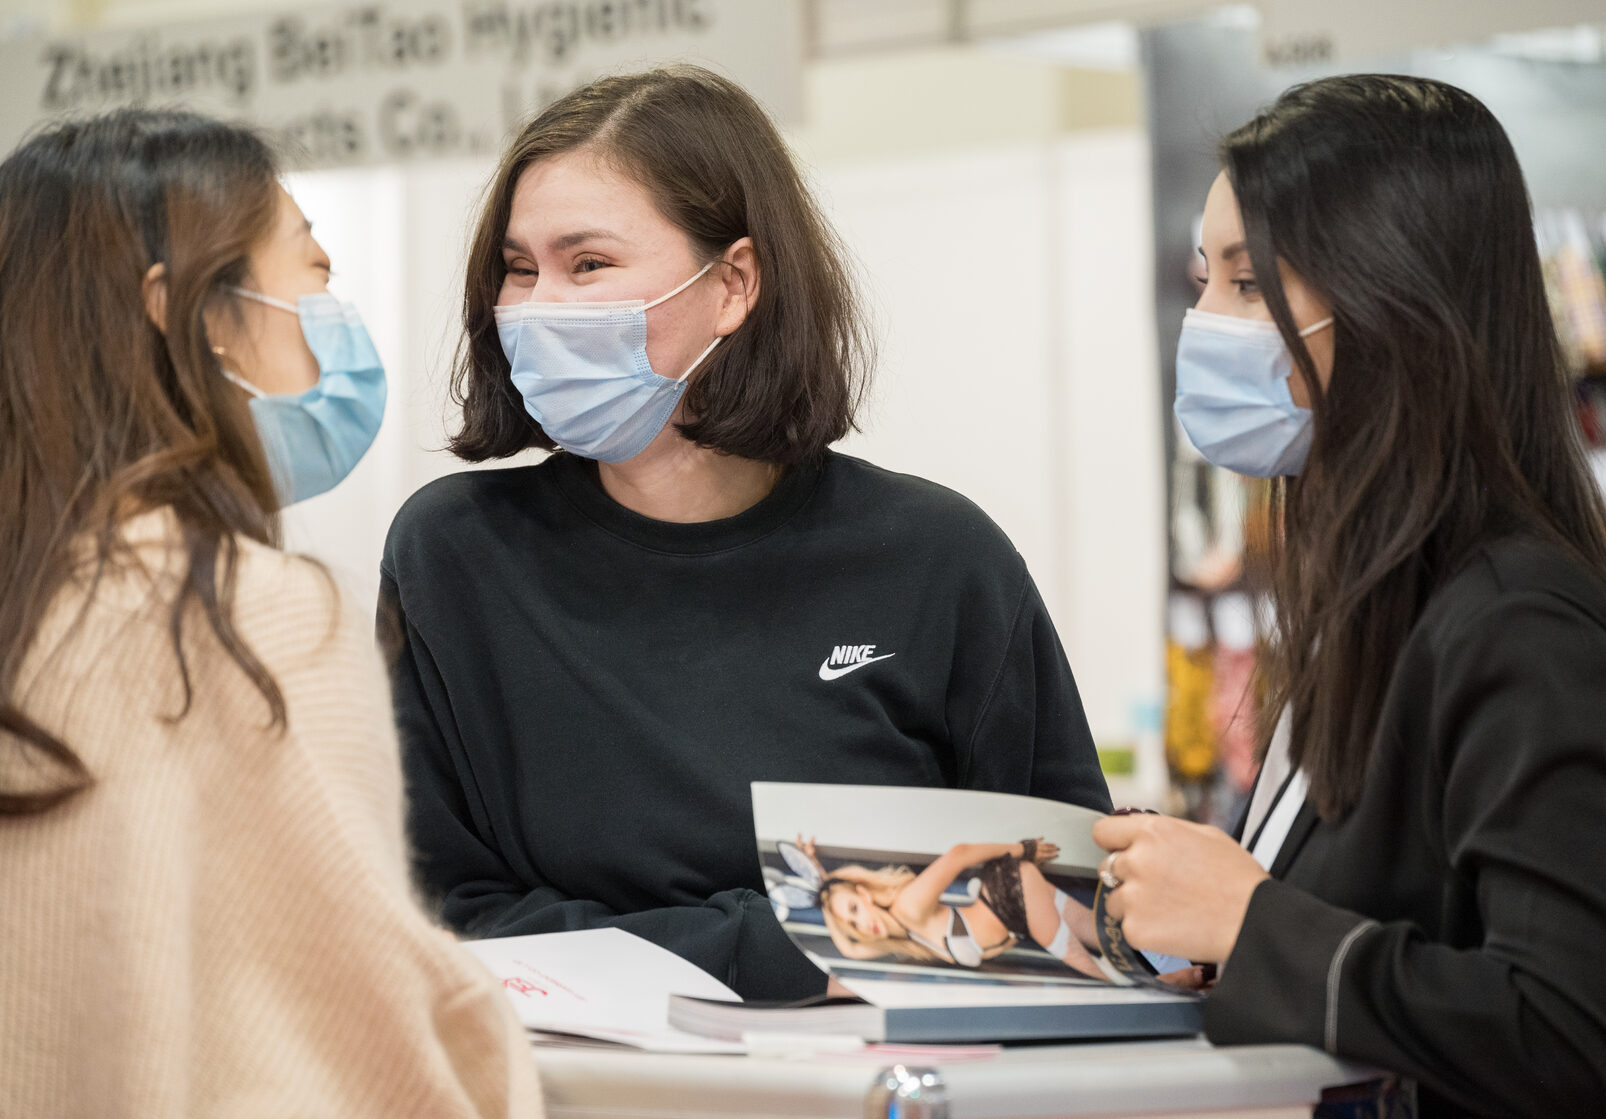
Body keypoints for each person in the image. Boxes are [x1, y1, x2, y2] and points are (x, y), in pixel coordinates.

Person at [379, 65, 1110, 1004]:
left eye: (587, 264)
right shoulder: (455, 554)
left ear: (733, 283)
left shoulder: (939, 558)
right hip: (574, 1075)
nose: (537, 306)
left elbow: (1064, 898)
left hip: (875, 1076)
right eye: (519, 269)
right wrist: (789, 951)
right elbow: (438, 916)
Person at [1092, 75, 1606, 1118]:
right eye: (1204, 279)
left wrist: (1253, 922)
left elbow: (1575, 1033)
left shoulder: (1521, 627)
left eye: (1248, 283)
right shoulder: (1380, 607)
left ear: (1389, 302)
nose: (1207, 321)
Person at [0, 110, 541, 1118]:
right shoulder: (251, 617)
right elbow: (366, 1056)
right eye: (315, 274)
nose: (336, 320)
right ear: (187, 311)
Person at [805, 836, 1110, 980]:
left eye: (855, 909)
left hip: (1009, 891)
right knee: (1103, 937)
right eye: (851, 925)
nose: (862, 925)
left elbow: (959, 854)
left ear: (864, 893)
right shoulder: (905, 937)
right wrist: (823, 884)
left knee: (1102, 974)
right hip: (1015, 913)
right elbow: (848, 949)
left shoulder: (908, 906)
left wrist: (1023, 849)